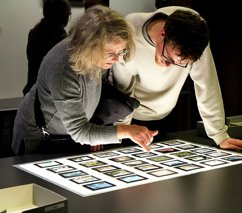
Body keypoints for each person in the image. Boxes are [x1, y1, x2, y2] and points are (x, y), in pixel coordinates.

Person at [12, 5, 158, 155]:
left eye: (121, 51)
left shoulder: (96, 55)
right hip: (39, 137)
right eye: (111, 53)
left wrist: (97, 133)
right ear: (90, 46)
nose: (116, 58)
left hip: (67, 134)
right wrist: (125, 131)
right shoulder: (63, 69)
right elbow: (79, 131)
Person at [111, 6, 242, 152]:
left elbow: (206, 84)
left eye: (179, 64)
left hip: (167, 115)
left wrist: (220, 135)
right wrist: (117, 135)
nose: (168, 66)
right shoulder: (129, 33)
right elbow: (122, 94)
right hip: (132, 118)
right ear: (163, 33)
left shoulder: (194, 30)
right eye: (167, 57)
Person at [23, 0, 71, 96]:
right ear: (63, 16)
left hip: (32, 90)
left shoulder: (34, 32)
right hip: (49, 94)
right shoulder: (62, 39)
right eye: (68, 14)